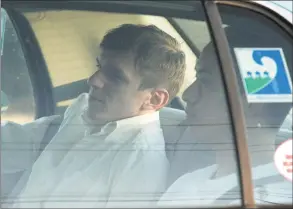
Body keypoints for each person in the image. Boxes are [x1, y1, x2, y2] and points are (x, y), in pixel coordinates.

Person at [1, 24, 186, 208]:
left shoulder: (141, 164)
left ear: (154, 99)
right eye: (99, 67)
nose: (93, 80)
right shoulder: (82, 110)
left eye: (115, 77)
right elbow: (21, 142)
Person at [158, 26, 292, 207]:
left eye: (205, 81)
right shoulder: (189, 181)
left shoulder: (269, 198)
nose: (188, 94)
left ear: (252, 103)